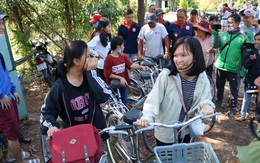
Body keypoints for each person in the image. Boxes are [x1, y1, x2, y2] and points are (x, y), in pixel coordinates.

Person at [136, 36, 215, 145]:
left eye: (183, 55)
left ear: (195, 57)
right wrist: (146, 118)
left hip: (187, 129)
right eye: (175, 56)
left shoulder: (201, 77)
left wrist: (207, 105)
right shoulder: (166, 75)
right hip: (166, 131)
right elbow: (153, 101)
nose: (178, 60)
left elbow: (205, 98)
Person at [40, 40, 112, 140]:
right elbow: (47, 112)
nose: (91, 59)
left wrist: (91, 72)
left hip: (96, 134)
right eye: (87, 56)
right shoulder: (59, 87)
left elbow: (104, 95)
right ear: (76, 61)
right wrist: (51, 126)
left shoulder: (90, 76)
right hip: (75, 139)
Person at [0, 14, 39, 163]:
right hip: (2, 102)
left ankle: (11, 156)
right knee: (12, 135)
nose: (2, 27)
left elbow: (5, 75)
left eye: (2, 23)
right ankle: (19, 161)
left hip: (9, 98)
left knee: (14, 131)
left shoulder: (0, 55)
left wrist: (13, 90)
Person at [213, 14, 247, 116]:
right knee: (219, 85)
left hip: (233, 68)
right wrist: (215, 34)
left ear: (237, 23)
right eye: (228, 23)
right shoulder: (223, 35)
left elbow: (244, 55)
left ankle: (233, 106)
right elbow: (215, 46)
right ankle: (219, 100)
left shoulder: (243, 37)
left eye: (231, 22)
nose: (229, 25)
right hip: (220, 65)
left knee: (233, 89)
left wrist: (241, 69)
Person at [104, 37, 146, 106]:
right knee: (116, 103)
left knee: (124, 102)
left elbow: (131, 65)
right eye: (123, 45)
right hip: (114, 86)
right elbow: (108, 74)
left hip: (123, 85)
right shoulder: (108, 59)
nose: (124, 47)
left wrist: (140, 67)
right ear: (118, 47)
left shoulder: (123, 56)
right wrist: (120, 78)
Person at [235, 32, 260, 121]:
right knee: (246, 99)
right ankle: (243, 114)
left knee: (259, 101)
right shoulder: (250, 52)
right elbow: (244, 64)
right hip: (250, 79)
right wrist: (251, 59)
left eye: (259, 40)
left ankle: (258, 118)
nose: (257, 42)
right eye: (256, 39)